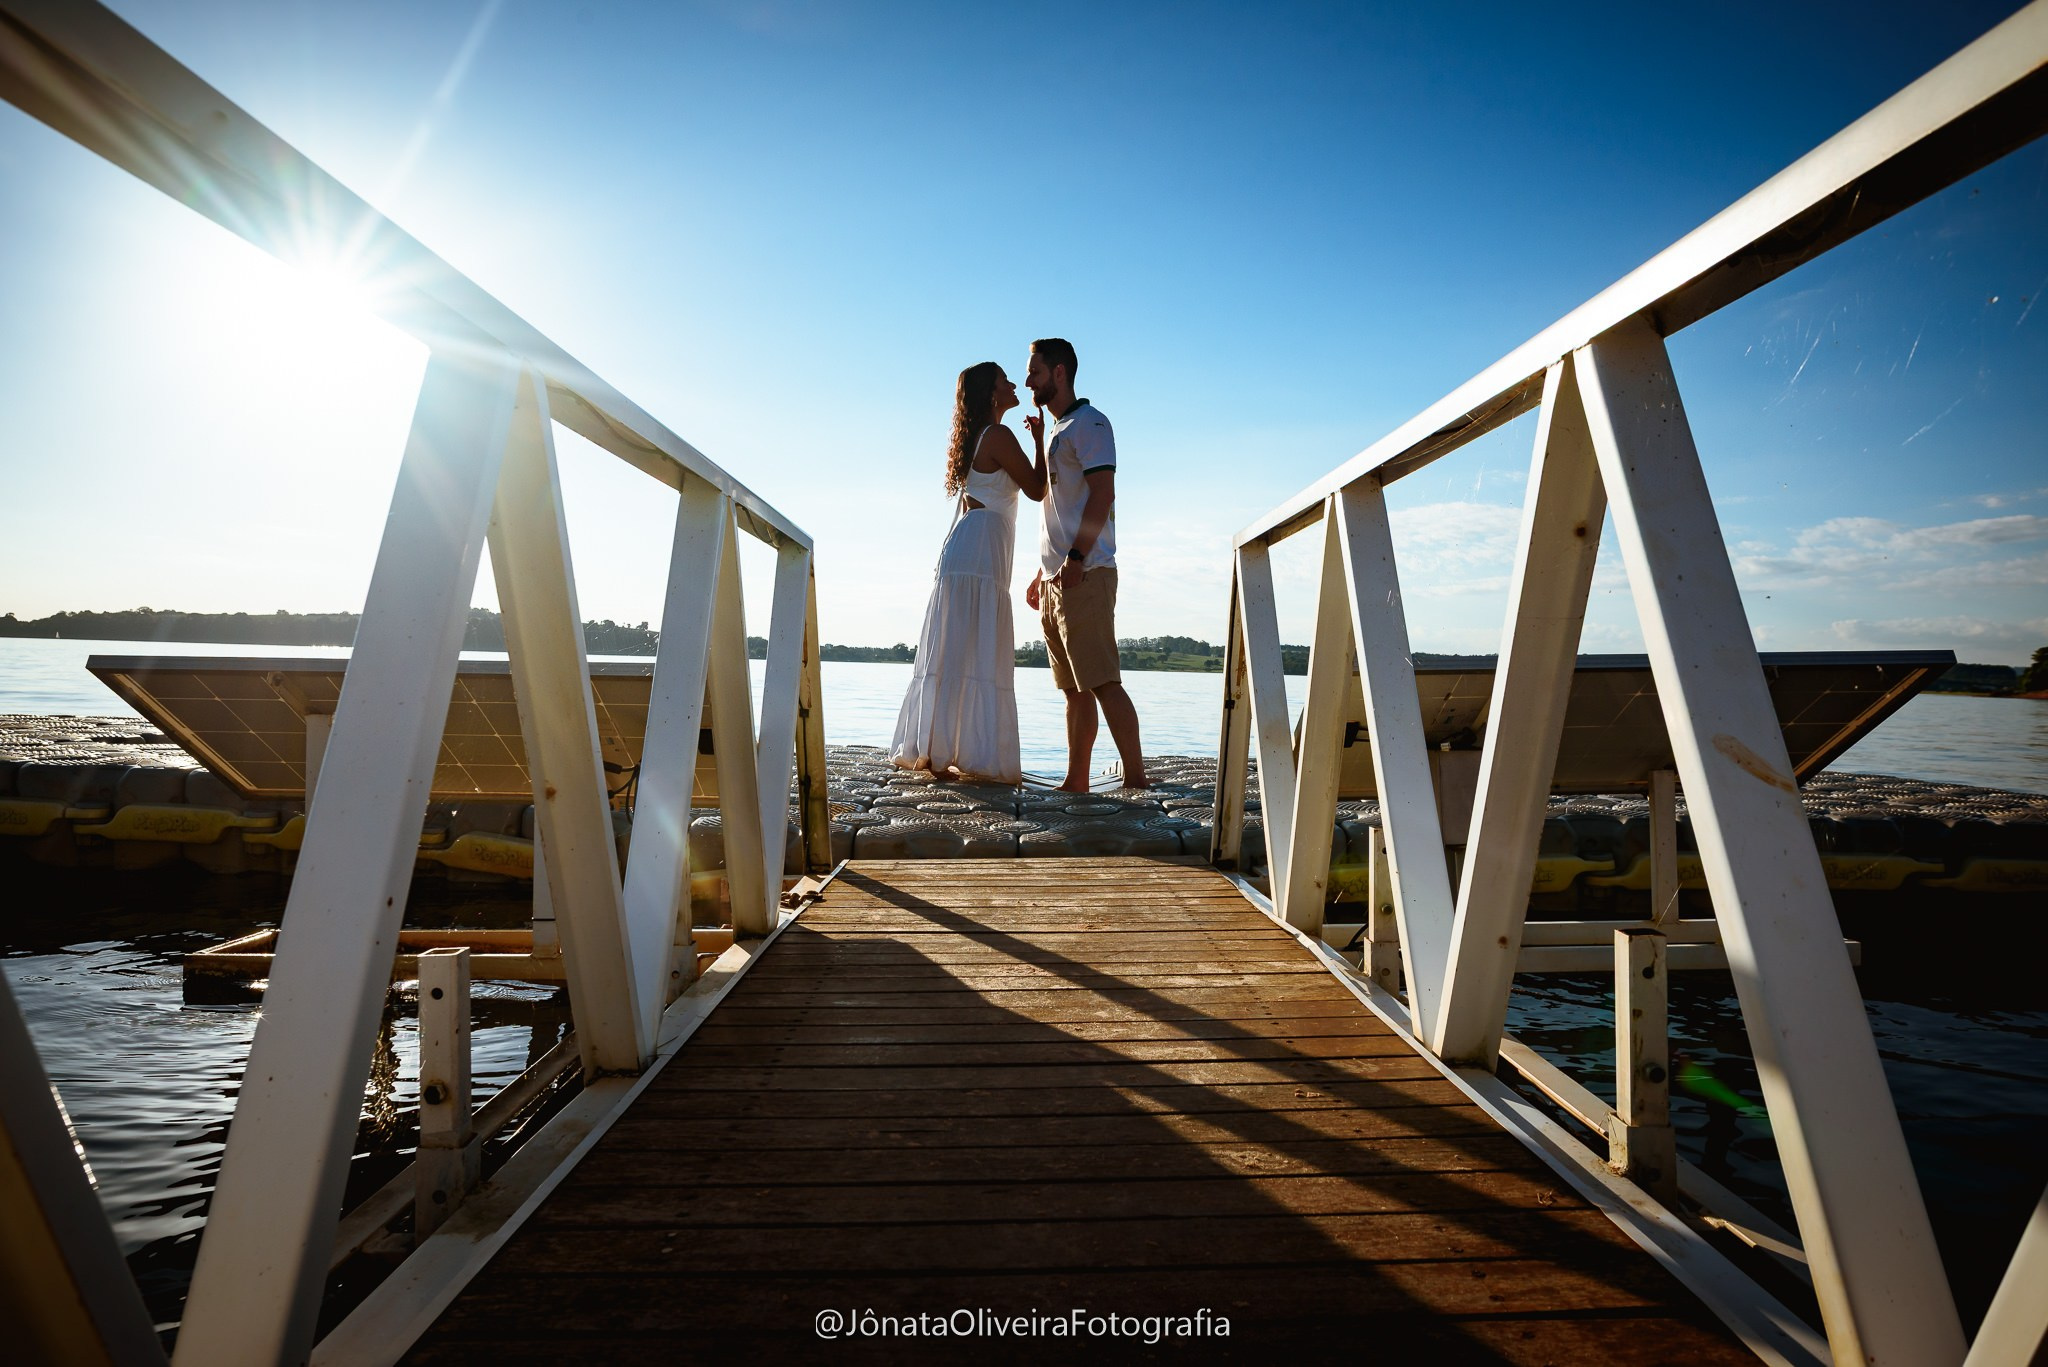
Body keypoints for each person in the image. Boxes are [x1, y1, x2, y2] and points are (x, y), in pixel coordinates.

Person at [889, 361, 1046, 783]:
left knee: (958, 649)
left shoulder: (980, 435)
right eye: (1005, 381)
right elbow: (1036, 488)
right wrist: (1042, 440)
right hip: (979, 549)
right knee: (969, 648)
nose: (1014, 384)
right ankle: (956, 753)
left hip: (971, 545)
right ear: (992, 394)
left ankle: (939, 751)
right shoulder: (997, 435)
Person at [1022, 337, 1148, 791]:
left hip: (1088, 572)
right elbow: (1056, 506)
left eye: (1034, 371)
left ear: (1059, 373)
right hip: (1058, 578)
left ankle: (1137, 778)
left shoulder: (1091, 424)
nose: (1028, 379)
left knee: (1102, 680)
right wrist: (1044, 571)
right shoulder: (1058, 430)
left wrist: (1076, 558)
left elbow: (1102, 495)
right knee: (1072, 689)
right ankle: (1076, 780)